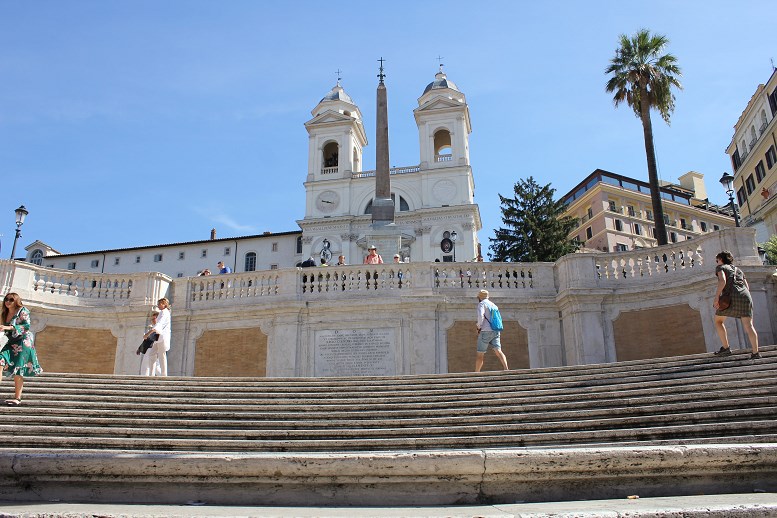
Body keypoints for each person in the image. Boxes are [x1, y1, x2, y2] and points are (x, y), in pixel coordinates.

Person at [712, 250, 760, 359]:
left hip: (730, 297)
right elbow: (746, 286)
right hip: (745, 296)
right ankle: (755, 352)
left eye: (717, 260)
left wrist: (716, 297)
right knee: (749, 325)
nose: (716, 262)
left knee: (718, 321)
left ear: (721, 259)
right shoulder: (738, 270)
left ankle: (726, 348)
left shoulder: (720, 268)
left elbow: (722, 281)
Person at [0, 293, 43, 405]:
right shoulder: (5, 313)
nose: (8, 301)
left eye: (11, 299)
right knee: (0, 360)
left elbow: (26, 326)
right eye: (6, 299)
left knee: (18, 370)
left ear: (16, 301)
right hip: (12, 342)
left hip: (23, 342)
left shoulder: (22, 310)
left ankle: (17, 398)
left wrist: (8, 327)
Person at [475, 289, 509, 372]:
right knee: (498, 351)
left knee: (480, 354)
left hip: (485, 331)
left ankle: (476, 372)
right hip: (496, 330)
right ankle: (506, 368)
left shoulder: (481, 304)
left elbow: (481, 316)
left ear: (479, 297)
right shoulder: (494, 305)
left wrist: (479, 327)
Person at [142, 298, 172, 376]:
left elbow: (158, 325)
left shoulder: (164, 313)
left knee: (162, 355)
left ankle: (163, 374)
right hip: (158, 337)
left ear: (164, 304)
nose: (158, 306)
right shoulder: (163, 312)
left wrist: (147, 334)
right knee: (152, 354)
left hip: (162, 337)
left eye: (159, 304)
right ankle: (151, 374)